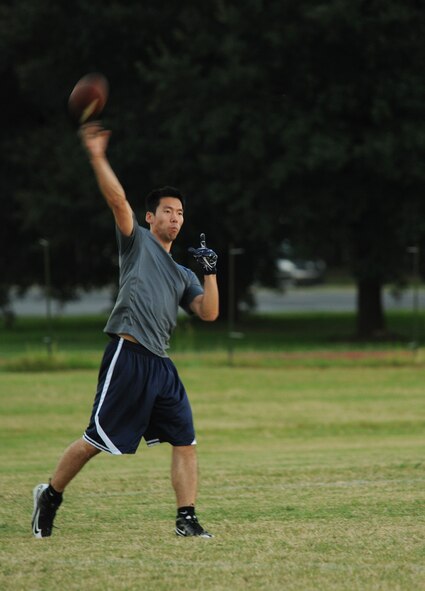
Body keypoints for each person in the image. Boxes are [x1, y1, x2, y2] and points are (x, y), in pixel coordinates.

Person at [31, 122, 219, 539]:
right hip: (128, 356)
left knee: (185, 441)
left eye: (181, 213)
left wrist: (210, 274)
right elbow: (118, 200)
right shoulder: (138, 243)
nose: (175, 217)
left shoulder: (184, 272)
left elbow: (207, 313)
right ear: (151, 217)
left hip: (161, 366)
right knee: (95, 440)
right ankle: (50, 495)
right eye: (168, 210)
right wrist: (97, 154)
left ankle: (186, 519)